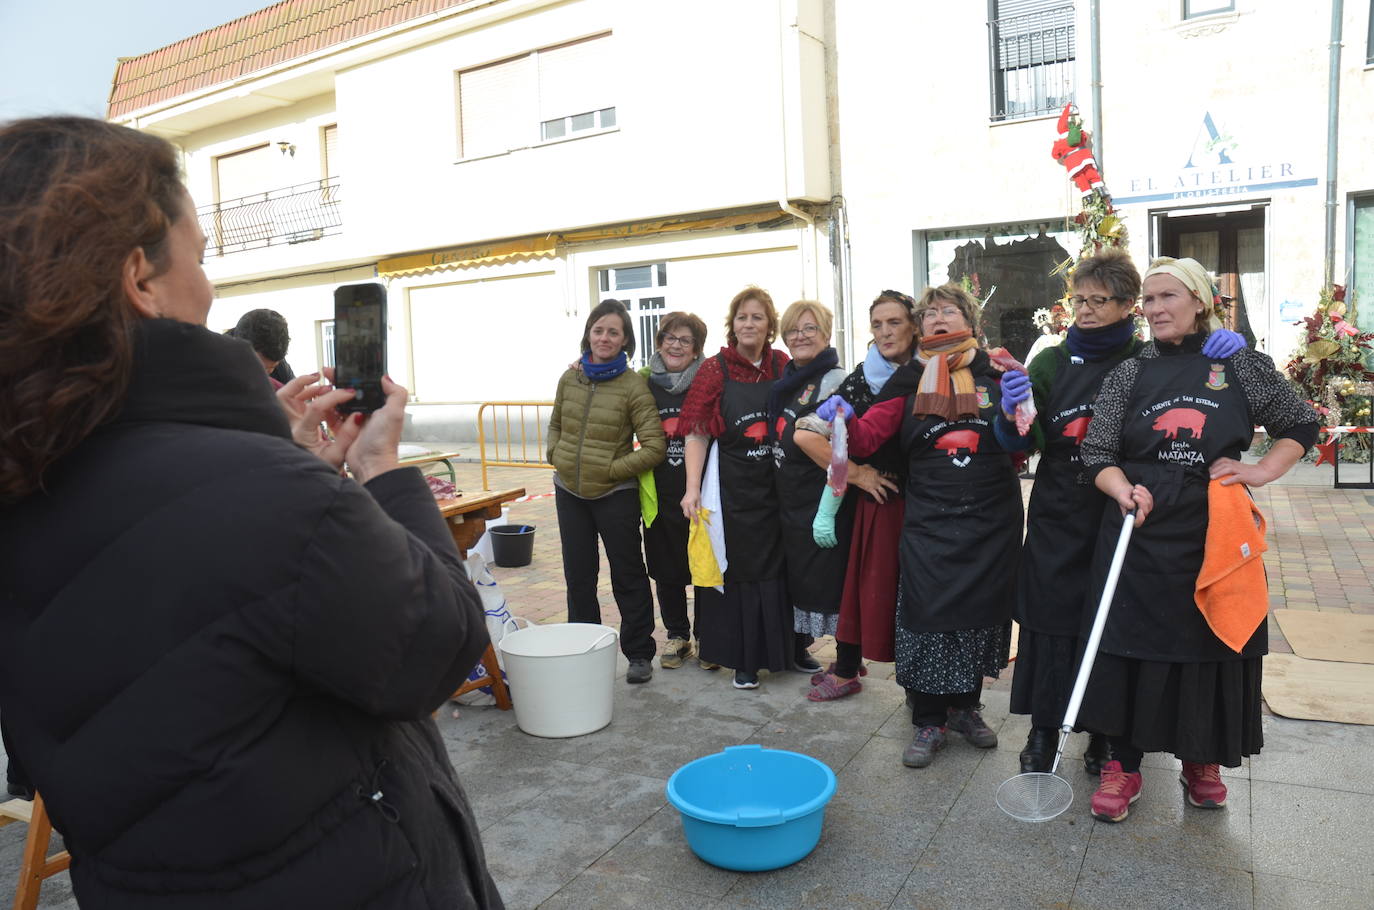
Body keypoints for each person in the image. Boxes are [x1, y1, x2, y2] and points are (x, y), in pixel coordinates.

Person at [0, 117, 503, 908]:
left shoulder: (25, 479)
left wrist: (287, 472)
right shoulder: (265, 495)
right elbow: (436, 647)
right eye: (198, 257)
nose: (210, 288)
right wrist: (375, 469)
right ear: (140, 277)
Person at [1077, 256, 1318, 823]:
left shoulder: (1241, 364)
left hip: (1215, 525)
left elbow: (1300, 424)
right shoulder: (1130, 372)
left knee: (1211, 636)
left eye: (1167, 297)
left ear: (1200, 301)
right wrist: (1122, 490)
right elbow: (1097, 455)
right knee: (1127, 640)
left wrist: (1258, 471)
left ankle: (1201, 759)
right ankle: (1124, 764)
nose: (1156, 309)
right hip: (1139, 524)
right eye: (1149, 301)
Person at [1008, 250, 1247, 774]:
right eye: (1078, 300)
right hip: (1060, 510)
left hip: (1123, 513)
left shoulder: (1148, 357)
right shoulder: (1049, 359)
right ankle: (1044, 730)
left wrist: (1230, 352)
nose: (1085, 310)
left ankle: (1104, 731)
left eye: (1099, 301)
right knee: (1050, 620)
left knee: (1111, 621)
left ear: (1125, 308)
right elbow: (1030, 438)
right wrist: (1015, 411)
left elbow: (1208, 390)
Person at [816, 284, 1029, 767]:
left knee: (979, 615)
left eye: (947, 311)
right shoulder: (910, 379)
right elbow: (870, 436)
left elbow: (1021, 447)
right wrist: (843, 418)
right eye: (929, 313)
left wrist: (1019, 411)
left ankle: (966, 709)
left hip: (990, 520)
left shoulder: (997, 371)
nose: (936, 319)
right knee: (928, 617)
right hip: (930, 520)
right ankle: (928, 721)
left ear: (969, 321)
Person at [793, 291, 915, 701]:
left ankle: (923, 689)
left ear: (913, 325)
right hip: (879, 500)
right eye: (877, 325)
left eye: (894, 322)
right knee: (863, 588)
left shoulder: (929, 371)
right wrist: (859, 474)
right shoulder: (862, 378)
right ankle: (847, 668)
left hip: (929, 498)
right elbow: (810, 430)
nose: (885, 332)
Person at [678, 286, 794, 690]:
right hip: (732, 488)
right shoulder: (716, 369)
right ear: (733, 325)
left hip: (778, 484)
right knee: (739, 569)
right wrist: (691, 489)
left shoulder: (784, 365)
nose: (749, 324)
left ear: (770, 327)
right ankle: (743, 660)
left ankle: (789, 650)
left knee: (783, 565)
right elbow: (695, 432)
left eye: (757, 317)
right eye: (742, 317)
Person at [547, 299, 666, 684]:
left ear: (625, 339)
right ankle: (585, 649)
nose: (604, 337)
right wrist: (555, 455)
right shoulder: (570, 378)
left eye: (613, 331)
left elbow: (653, 446)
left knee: (627, 575)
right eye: (598, 330)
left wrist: (613, 470)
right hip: (570, 492)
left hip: (615, 496)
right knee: (578, 576)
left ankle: (639, 653)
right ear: (588, 334)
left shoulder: (634, 386)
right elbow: (555, 424)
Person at [769, 300, 852, 676]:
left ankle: (848, 666)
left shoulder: (836, 380)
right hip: (789, 501)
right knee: (799, 584)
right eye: (792, 329)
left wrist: (826, 512)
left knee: (832, 589)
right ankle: (799, 650)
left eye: (809, 328)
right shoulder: (787, 380)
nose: (799, 336)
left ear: (826, 333)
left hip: (820, 501)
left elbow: (841, 449)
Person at [638, 311, 713, 669]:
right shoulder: (643, 382)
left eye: (685, 340)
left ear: (697, 349)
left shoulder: (709, 383)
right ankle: (677, 636)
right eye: (669, 337)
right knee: (666, 570)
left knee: (704, 567)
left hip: (701, 494)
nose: (676, 345)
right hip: (659, 495)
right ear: (659, 342)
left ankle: (709, 638)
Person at [232, 308, 293, 387]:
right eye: (259, 367)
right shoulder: (218, 367)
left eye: (271, 368)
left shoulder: (275, 357)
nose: (264, 375)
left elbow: (296, 392)